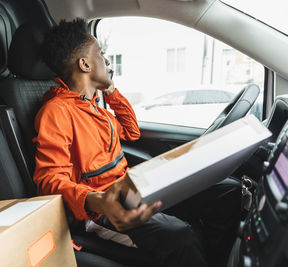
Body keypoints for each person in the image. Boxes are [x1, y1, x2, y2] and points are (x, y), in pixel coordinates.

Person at [33, 18, 241, 267]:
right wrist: (97, 200)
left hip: (131, 187)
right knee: (180, 235)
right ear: (85, 64)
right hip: (103, 207)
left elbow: (131, 131)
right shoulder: (57, 111)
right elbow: (49, 180)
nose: (107, 61)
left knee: (227, 190)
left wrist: (110, 90)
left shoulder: (94, 108)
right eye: (100, 53)